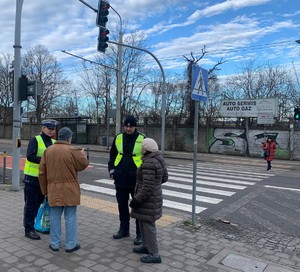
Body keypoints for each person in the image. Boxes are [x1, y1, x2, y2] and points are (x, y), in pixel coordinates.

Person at [39, 127, 89, 253]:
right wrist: (83, 155)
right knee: (70, 217)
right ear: (69, 138)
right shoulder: (73, 150)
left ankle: (54, 244)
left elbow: (42, 173)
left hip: (53, 189)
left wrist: (45, 191)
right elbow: (83, 165)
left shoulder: (48, 151)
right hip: (70, 189)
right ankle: (70, 245)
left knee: (55, 216)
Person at [108, 115, 145, 245]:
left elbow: (147, 156)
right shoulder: (118, 137)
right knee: (122, 206)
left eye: (131, 126)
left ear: (135, 126)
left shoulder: (142, 138)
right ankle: (124, 230)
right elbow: (113, 154)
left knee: (138, 207)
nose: (129, 129)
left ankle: (140, 234)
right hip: (120, 177)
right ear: (124, 126)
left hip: (136, 179)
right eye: (127, 126)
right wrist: (112, 170)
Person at [130, 138, 168, 264]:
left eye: (142, 146)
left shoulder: (148, 163)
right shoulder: (159, 159)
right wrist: (156, 184)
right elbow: (165, 178)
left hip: (147, 200)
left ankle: (154, 254)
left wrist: (136, 200)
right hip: (154, 197)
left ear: (146, 149)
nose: (141, 148)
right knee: (143, 222)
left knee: (148, 226)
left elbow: (147, 187)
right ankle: (146, 247)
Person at [23, 119, 57, 240]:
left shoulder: (54, 142)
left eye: (53, 129)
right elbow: (30, 156)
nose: (51, 131)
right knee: (31, 205)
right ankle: (28, 229)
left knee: (39, 204)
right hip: (32, 178)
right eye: (49, 128)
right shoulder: (35, 140)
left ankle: (37, 225)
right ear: (43, 128)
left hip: (45, 179)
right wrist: (46, 161)